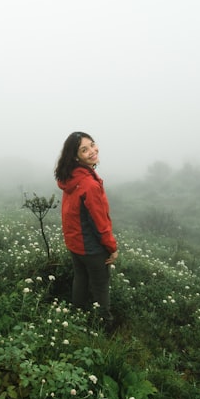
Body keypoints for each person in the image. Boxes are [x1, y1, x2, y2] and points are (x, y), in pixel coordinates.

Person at [55, 131, 118, 324]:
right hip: (91, 247)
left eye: (92, 144)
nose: (92, 151)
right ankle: (105, 324)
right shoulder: (88, 184)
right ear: (76, 156)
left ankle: (77, 315)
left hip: (75, 243)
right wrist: (111, 248)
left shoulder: (70, 177)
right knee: (101, 285)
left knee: (80, 278)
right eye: (85, 149)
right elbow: (99, 222)